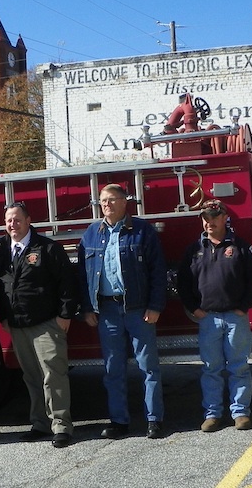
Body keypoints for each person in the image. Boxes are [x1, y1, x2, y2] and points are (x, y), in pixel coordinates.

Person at [77, 184, 167, 439]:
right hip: (107, 311)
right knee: (112, 369)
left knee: (148, 366)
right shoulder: (92, 234)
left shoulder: (142, 230)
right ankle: (119, 421)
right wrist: (87, 308)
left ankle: (154, 420)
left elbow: (157, 271)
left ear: (125, 202)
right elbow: (82, 277)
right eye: (103, 200)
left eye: (112, 200)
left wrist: (155, 306)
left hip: (139, 310)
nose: (106, 204)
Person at [0, 202, 79, 448]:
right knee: (31, 377)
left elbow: (67, 282)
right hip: (18, 326)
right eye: (9, 220)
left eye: (17, 220)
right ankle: (40, 423)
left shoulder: (47, 248)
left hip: (46, 324)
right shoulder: (2, 253)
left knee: (54, 375)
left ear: (29, 221)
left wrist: (65, 314)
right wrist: (3, 317)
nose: (13, 224)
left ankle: (61, 426)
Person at [177, 199, 252, 432]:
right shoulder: (194, 250)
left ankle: (241, 413)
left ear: (225, 217)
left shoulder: (241, 247)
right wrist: (194, 308)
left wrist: (244, 306)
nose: (209, 221)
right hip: (208, 319)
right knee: (210, 368)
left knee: (239, 367)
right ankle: (213, 414)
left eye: (214, 216)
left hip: (236, 318)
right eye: (205, 217)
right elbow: (182, 282)